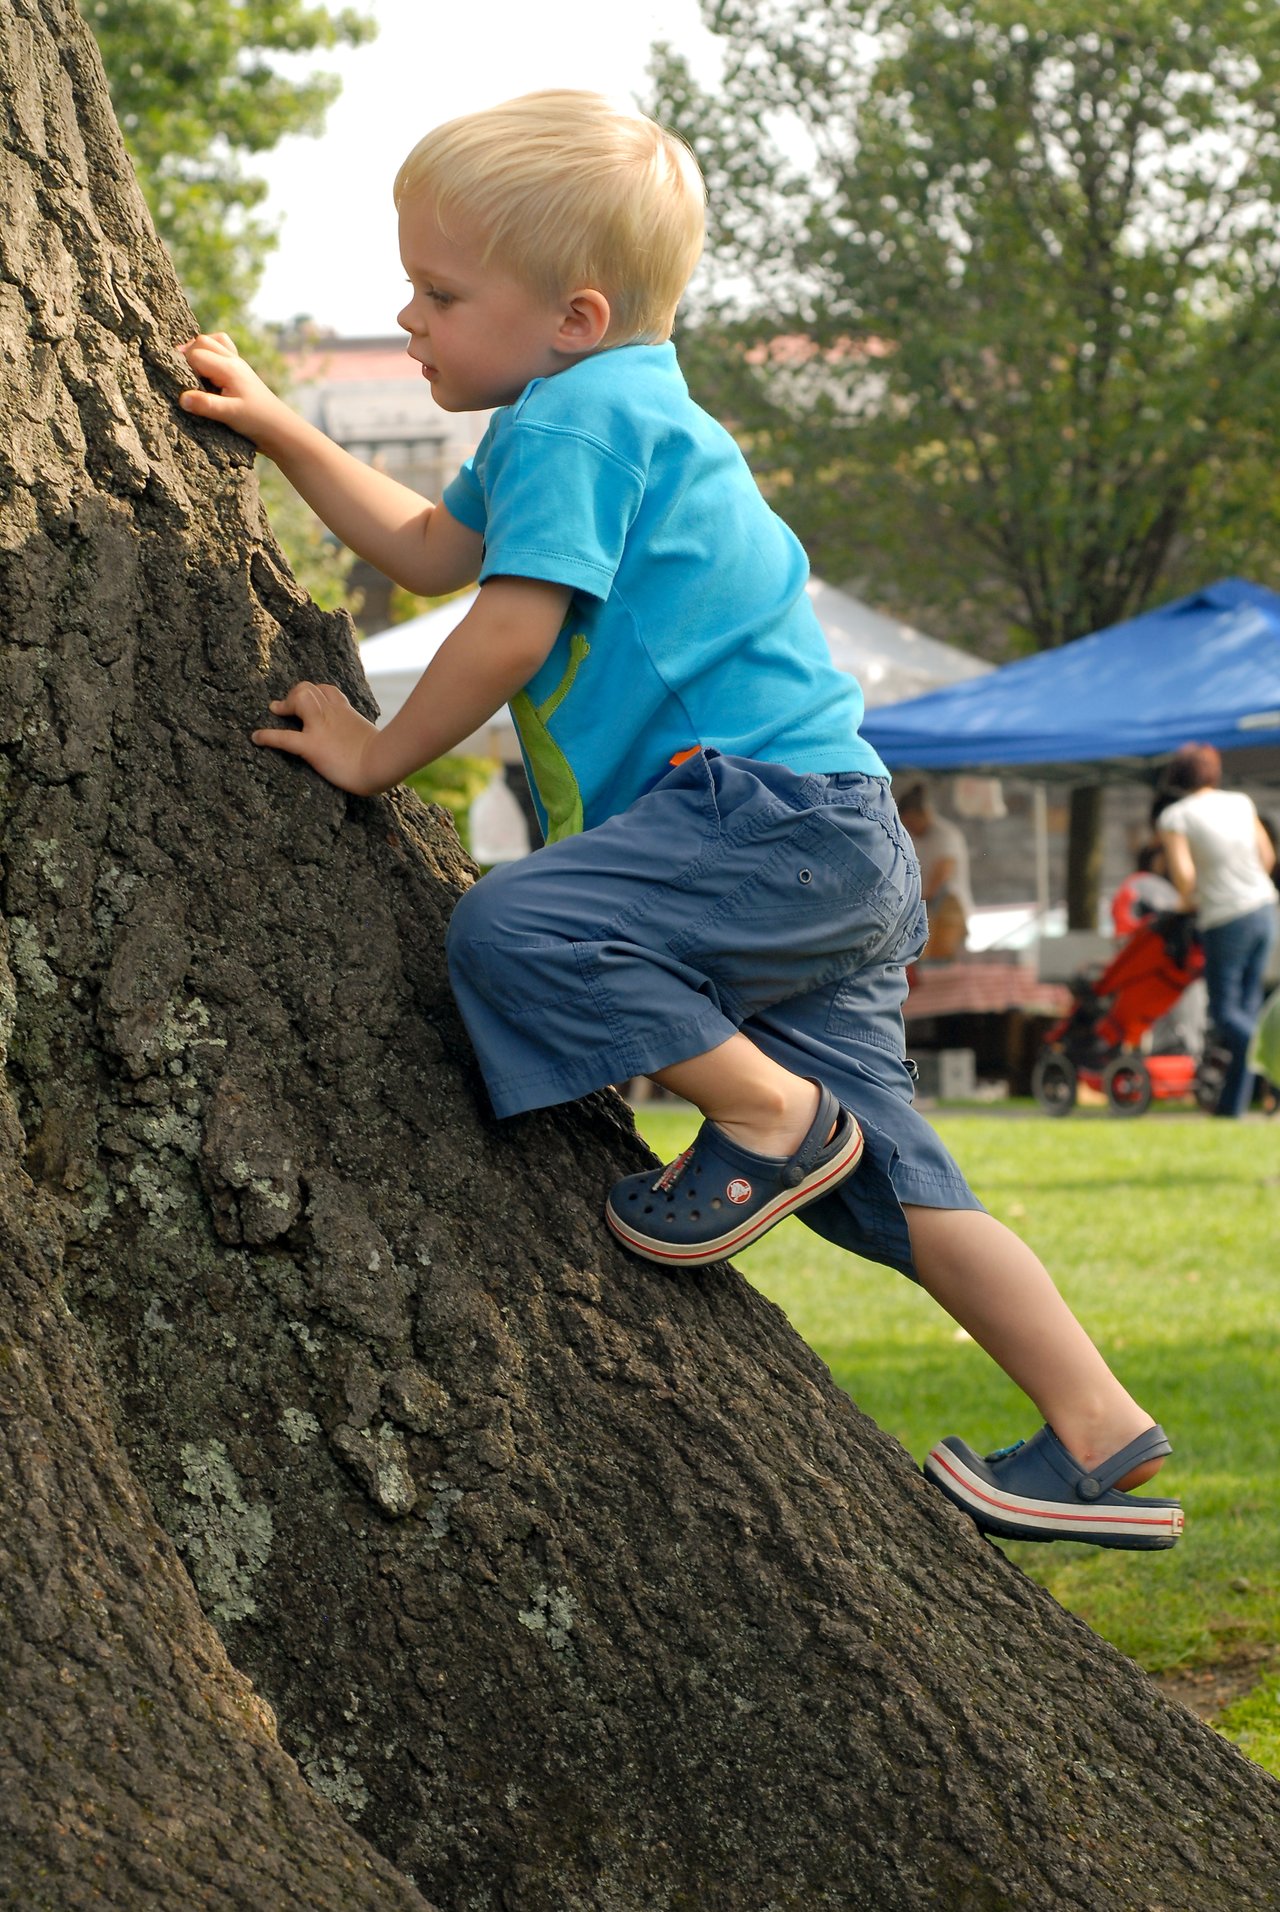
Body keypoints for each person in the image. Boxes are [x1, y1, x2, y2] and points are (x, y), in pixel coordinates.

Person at [176, 90, 1180, 1550]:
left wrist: (379, 755)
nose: (409, 317)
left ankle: (770, 1119)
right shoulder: (586, 412)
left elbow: (510, 627)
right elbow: (424, 547)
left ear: (573, 314)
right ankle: (1096, 1434)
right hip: (821, 834)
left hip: (753, 816)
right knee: (891, 1172)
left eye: (443, 294)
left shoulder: (581, 421)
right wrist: (276, 428)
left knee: (521, 921)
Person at [1157, 743, 1278, 1118]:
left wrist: (1188, 901)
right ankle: (1231, 1108)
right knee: (1248, 1010)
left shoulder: (1176, 816)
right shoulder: (1240, 802)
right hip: (1264, 909)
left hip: (1225, 918)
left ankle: (1273, 1059)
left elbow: (1184, 879)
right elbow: (1268, 857)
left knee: (1226, 1014)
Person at [896, 783, 972, 961]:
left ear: (924, 814)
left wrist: (923, 898)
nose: (911, 827)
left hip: (948, 904)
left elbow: (943, 871)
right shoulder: (909, 837)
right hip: (920, 904)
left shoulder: (946, 835)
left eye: (912, 822)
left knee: (942, 956)